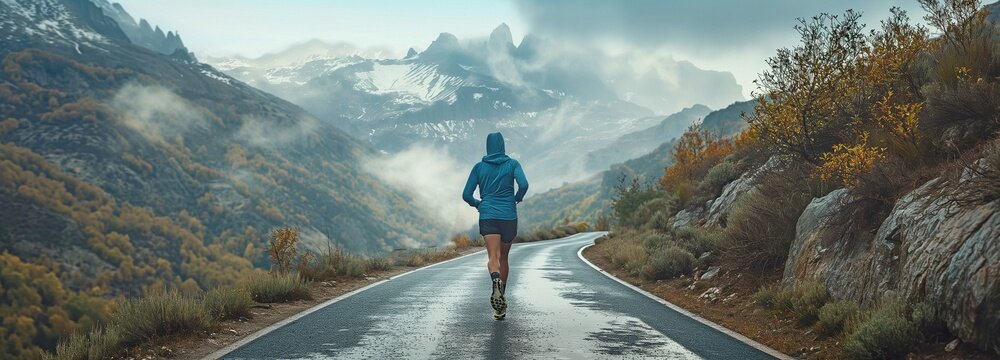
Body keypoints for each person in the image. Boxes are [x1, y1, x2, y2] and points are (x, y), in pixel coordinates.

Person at [462, 132, 528, 320]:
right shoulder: (513, 164)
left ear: (488, 147)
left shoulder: (479, 167)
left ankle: (495, 280)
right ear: (502, 146)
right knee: (505, 257)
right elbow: (524, 184)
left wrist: (478, 204)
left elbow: (466, 195)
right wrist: (517, 198)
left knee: (493, 256)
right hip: (508, 216)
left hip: (488, 214)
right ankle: (501, 302)